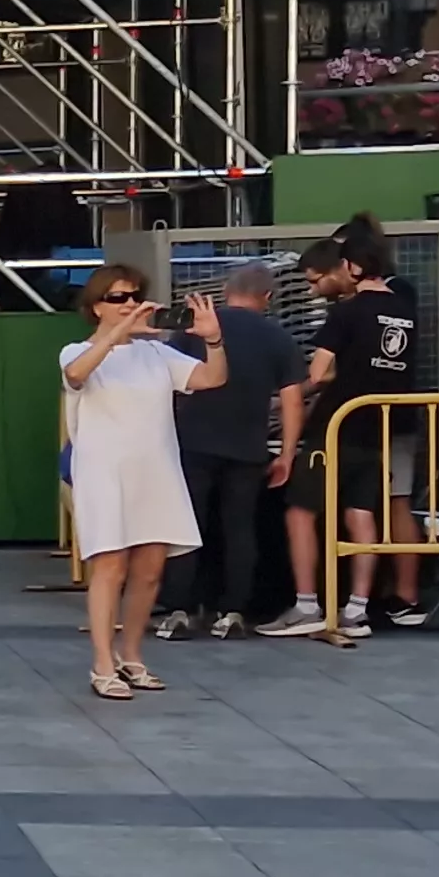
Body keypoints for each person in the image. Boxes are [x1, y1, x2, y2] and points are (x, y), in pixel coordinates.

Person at [61, 270, 227, 698]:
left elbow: (212, 379)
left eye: (134, 296)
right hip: (105, 472)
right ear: (97, 305)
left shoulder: (156, 353)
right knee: (110, 567)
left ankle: (131, 656)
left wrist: (212, 340)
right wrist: (114, 333)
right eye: (117, 297)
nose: (129, 303)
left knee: (151, 571)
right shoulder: (77, 351)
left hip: (156, 470)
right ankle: (102, 662)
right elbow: (77, 375)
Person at [279, 240, 425, 638]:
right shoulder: (404, 309)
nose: (312, 290)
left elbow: (320, 371)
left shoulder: (346, 313)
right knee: (361, 513)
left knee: (300, 511)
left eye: (315, 281)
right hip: (380, 428)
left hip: (337, 425)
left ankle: (307, 603)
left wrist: (287, 397)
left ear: (348, 267)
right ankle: (357, 609)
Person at [153, 265, 304, 641]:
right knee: (240, 529)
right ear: (268, 297)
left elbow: (167, 384)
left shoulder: (194, 330)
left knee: (187, 528)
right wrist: (286, 453)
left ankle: (180, 609)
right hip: (248, 447)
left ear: (224, 290)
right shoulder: (277, 337)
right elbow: (292, 399)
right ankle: (233, 610)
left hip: (193, 442)